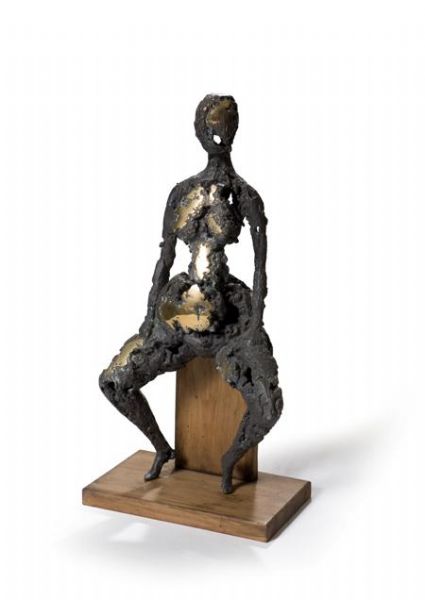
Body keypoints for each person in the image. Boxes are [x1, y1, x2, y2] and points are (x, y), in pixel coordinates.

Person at [99, 94, 283, 493]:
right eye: (211, 127)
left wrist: (254, 328)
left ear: (236, 130)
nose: (218, 135)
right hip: (177, 312)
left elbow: (260, 269)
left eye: (225, 126)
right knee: (114, 382)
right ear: (198, 131)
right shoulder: (181, 192)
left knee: (268, 406)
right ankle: (162, 448)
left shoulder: (245, 196)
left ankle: (229, 461)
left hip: (231, 317)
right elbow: (165, 258)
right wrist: (149, 317)